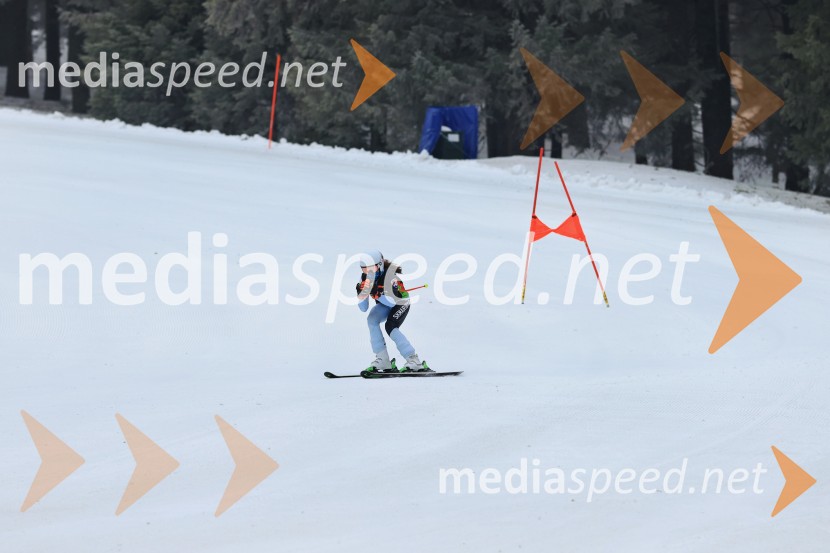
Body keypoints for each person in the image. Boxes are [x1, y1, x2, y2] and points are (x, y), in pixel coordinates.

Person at [356, 249, 432, 373]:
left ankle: (414, 360)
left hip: (400, 302)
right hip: (385, 304)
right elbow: (363, 308)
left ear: (379, 265)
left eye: (372, 268)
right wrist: (361, 294)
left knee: (390, 326)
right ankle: (383, 360)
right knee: (371, 320)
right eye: (364, 269)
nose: (368, 272)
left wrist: (376, 293)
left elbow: (392, 302)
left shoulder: (390, 276)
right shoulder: (364, 278)